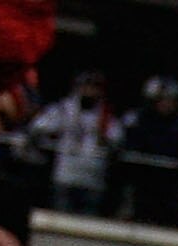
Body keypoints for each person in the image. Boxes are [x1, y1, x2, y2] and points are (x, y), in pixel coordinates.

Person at [28, 71, 117, 214]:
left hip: (92, 179)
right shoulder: (64, 108)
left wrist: (104, 139)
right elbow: (38, 126)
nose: (90, 91)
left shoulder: (105, 115)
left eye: (95, 87)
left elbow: (116, 140)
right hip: (66, 176)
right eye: (86, 86)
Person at [114, 77, 178, 222]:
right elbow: (126, 149)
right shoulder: (135, 119)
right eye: (163, 100)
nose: (167, 104)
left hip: (167, 186)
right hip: (139, 183)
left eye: (171, 100)